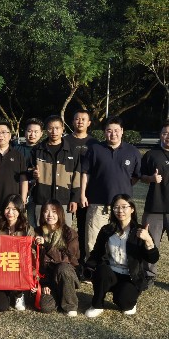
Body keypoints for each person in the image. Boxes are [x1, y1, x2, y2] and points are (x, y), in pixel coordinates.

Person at [85, 194, 159, 318]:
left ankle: (127, 299)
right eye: (116, 207)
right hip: (111, 272)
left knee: (125, 304)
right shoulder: (107, 230)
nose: (120, 210)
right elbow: (97, 252)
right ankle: (97, 305)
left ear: (132, 209)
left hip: (130, 276)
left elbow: (153, 258)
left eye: (124, 207)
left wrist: (148, 240)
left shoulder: (140, 231)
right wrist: (88, 268)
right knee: (101, 270)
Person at [81, 116, 141, 262]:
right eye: (109, 130)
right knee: (93, 239)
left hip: (122, 207)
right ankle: (93, 268)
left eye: (116, 130)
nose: (113, 134)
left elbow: (135, 176)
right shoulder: (95, 149)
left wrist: (122, 185)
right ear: (104, 132)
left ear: (122, 131)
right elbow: (86, 173)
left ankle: (118, 267)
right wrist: (82, 194)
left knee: (121, 240)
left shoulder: (133, 151)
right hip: (98, 203)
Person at [65, 109, 98, 279]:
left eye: (83, 119)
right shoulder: (65, 141)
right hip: (66, 192)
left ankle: (84, 264)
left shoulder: (94, 143)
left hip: (87, 194)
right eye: (77, 119)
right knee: (66, 230)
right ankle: (66, 261)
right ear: (72, 122)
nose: (80, 122)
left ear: (89, 123)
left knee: (85, 230)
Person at [30, 115, 80, 227]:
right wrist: (33, 174)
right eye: (50, 128)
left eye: (57, 128)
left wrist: (74, 199)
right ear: (46, 130)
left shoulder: (72, 150)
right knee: (41, 232)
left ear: (63, 129)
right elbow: (28, 170)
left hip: (64, 200)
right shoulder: (37, 150)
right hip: (42, 200)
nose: (54, 131)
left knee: (64, 233)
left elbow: (77, 176)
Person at [33, 200, 80, 316]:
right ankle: (59, 295)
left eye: (54, 211)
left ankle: (70, 305)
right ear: (42, 214)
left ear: (60, 214)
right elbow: (33, 258)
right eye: (46, 211)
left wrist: (47, 246)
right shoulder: (37, 232)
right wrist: (43, 284)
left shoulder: (69, 233)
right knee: (46, 307)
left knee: (63, 268)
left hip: (65, 274)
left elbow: (68, 258)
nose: (50, 215)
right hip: (47, 277)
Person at [0, 194, 35, 312]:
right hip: (1, 270)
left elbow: (33, 253)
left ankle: (19, 295)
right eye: (7, 208)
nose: (10, 212)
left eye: (14, 209)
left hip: (20, 270)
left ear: (20, 210)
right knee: (0, 306)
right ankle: (6, 293)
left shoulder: (27, 229)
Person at [140, 120, 169, 282]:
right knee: (150, 242)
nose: (168, 136)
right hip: (154, 208)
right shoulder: (151, 154)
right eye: (165, 133)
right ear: (160, 135)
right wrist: (151, 178)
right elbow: (141, 176)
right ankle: (149, 275)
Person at [15, 118, 44, 226]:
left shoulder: (44, 150)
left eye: (36, 132)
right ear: (25, 132)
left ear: (41, 133)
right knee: (18, 222)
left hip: (36, 193)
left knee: (35, 223)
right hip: (17, 190)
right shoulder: (16, 149)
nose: (32, 134)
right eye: (29, 131)